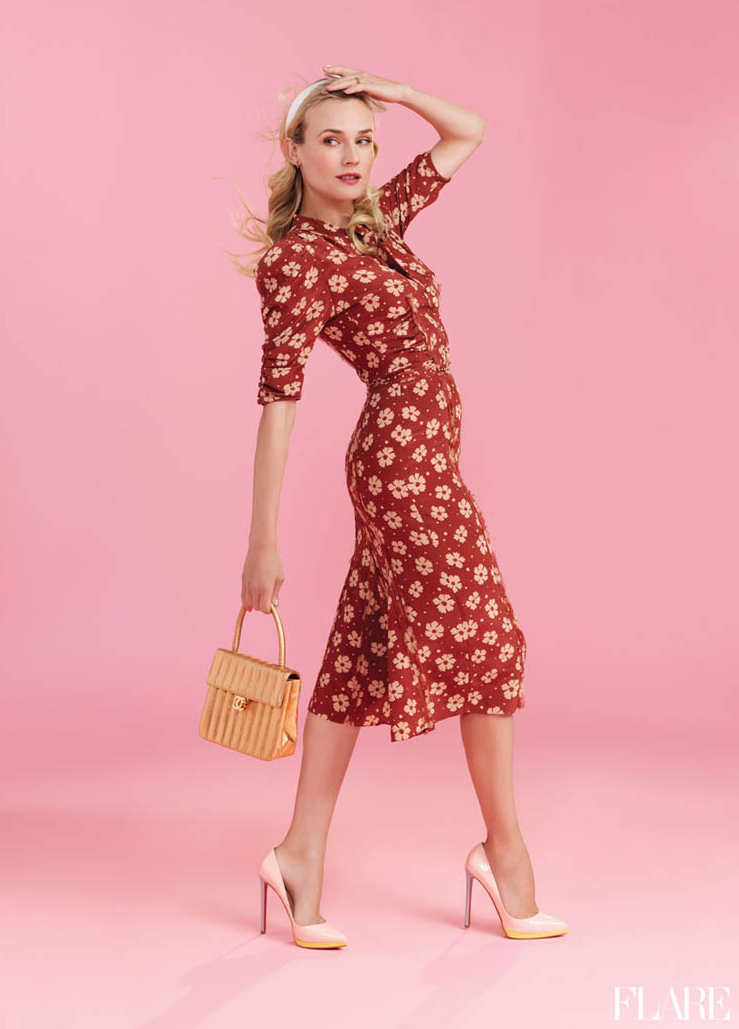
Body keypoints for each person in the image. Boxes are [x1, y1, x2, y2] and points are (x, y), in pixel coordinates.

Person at [240, 68, 568, 948]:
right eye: (331, 139)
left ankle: (299, 854)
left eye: (364, 139)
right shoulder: (297, 262)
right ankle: (506, 856)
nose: (352, 155)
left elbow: (468, 131)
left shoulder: (378, 222)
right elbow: (279, 404)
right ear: (296, 152)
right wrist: (262, 541)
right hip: (401, 465)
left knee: (357, 656)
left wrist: (392, 88)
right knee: (489, 642)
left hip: (425, 455)